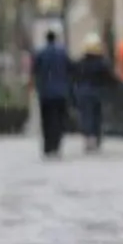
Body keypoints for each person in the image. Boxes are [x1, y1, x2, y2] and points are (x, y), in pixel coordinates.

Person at [72, 33, 116, 153]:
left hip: (83, 93)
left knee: (86, 115)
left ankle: (88, 137)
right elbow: (109, 78)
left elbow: (74, 77)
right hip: (98, 93)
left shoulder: (80, 62)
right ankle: (95, 137)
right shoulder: (102, 63)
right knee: (97, 115)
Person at [31, 30, 72, 158]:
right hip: (61, 92)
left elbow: (34, 70)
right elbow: (70, 69)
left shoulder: (40, 53)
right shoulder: (62, 53)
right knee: (59, 120)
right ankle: (57, 145)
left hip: (45, 93)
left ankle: (48, 146)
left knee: (46, 120)